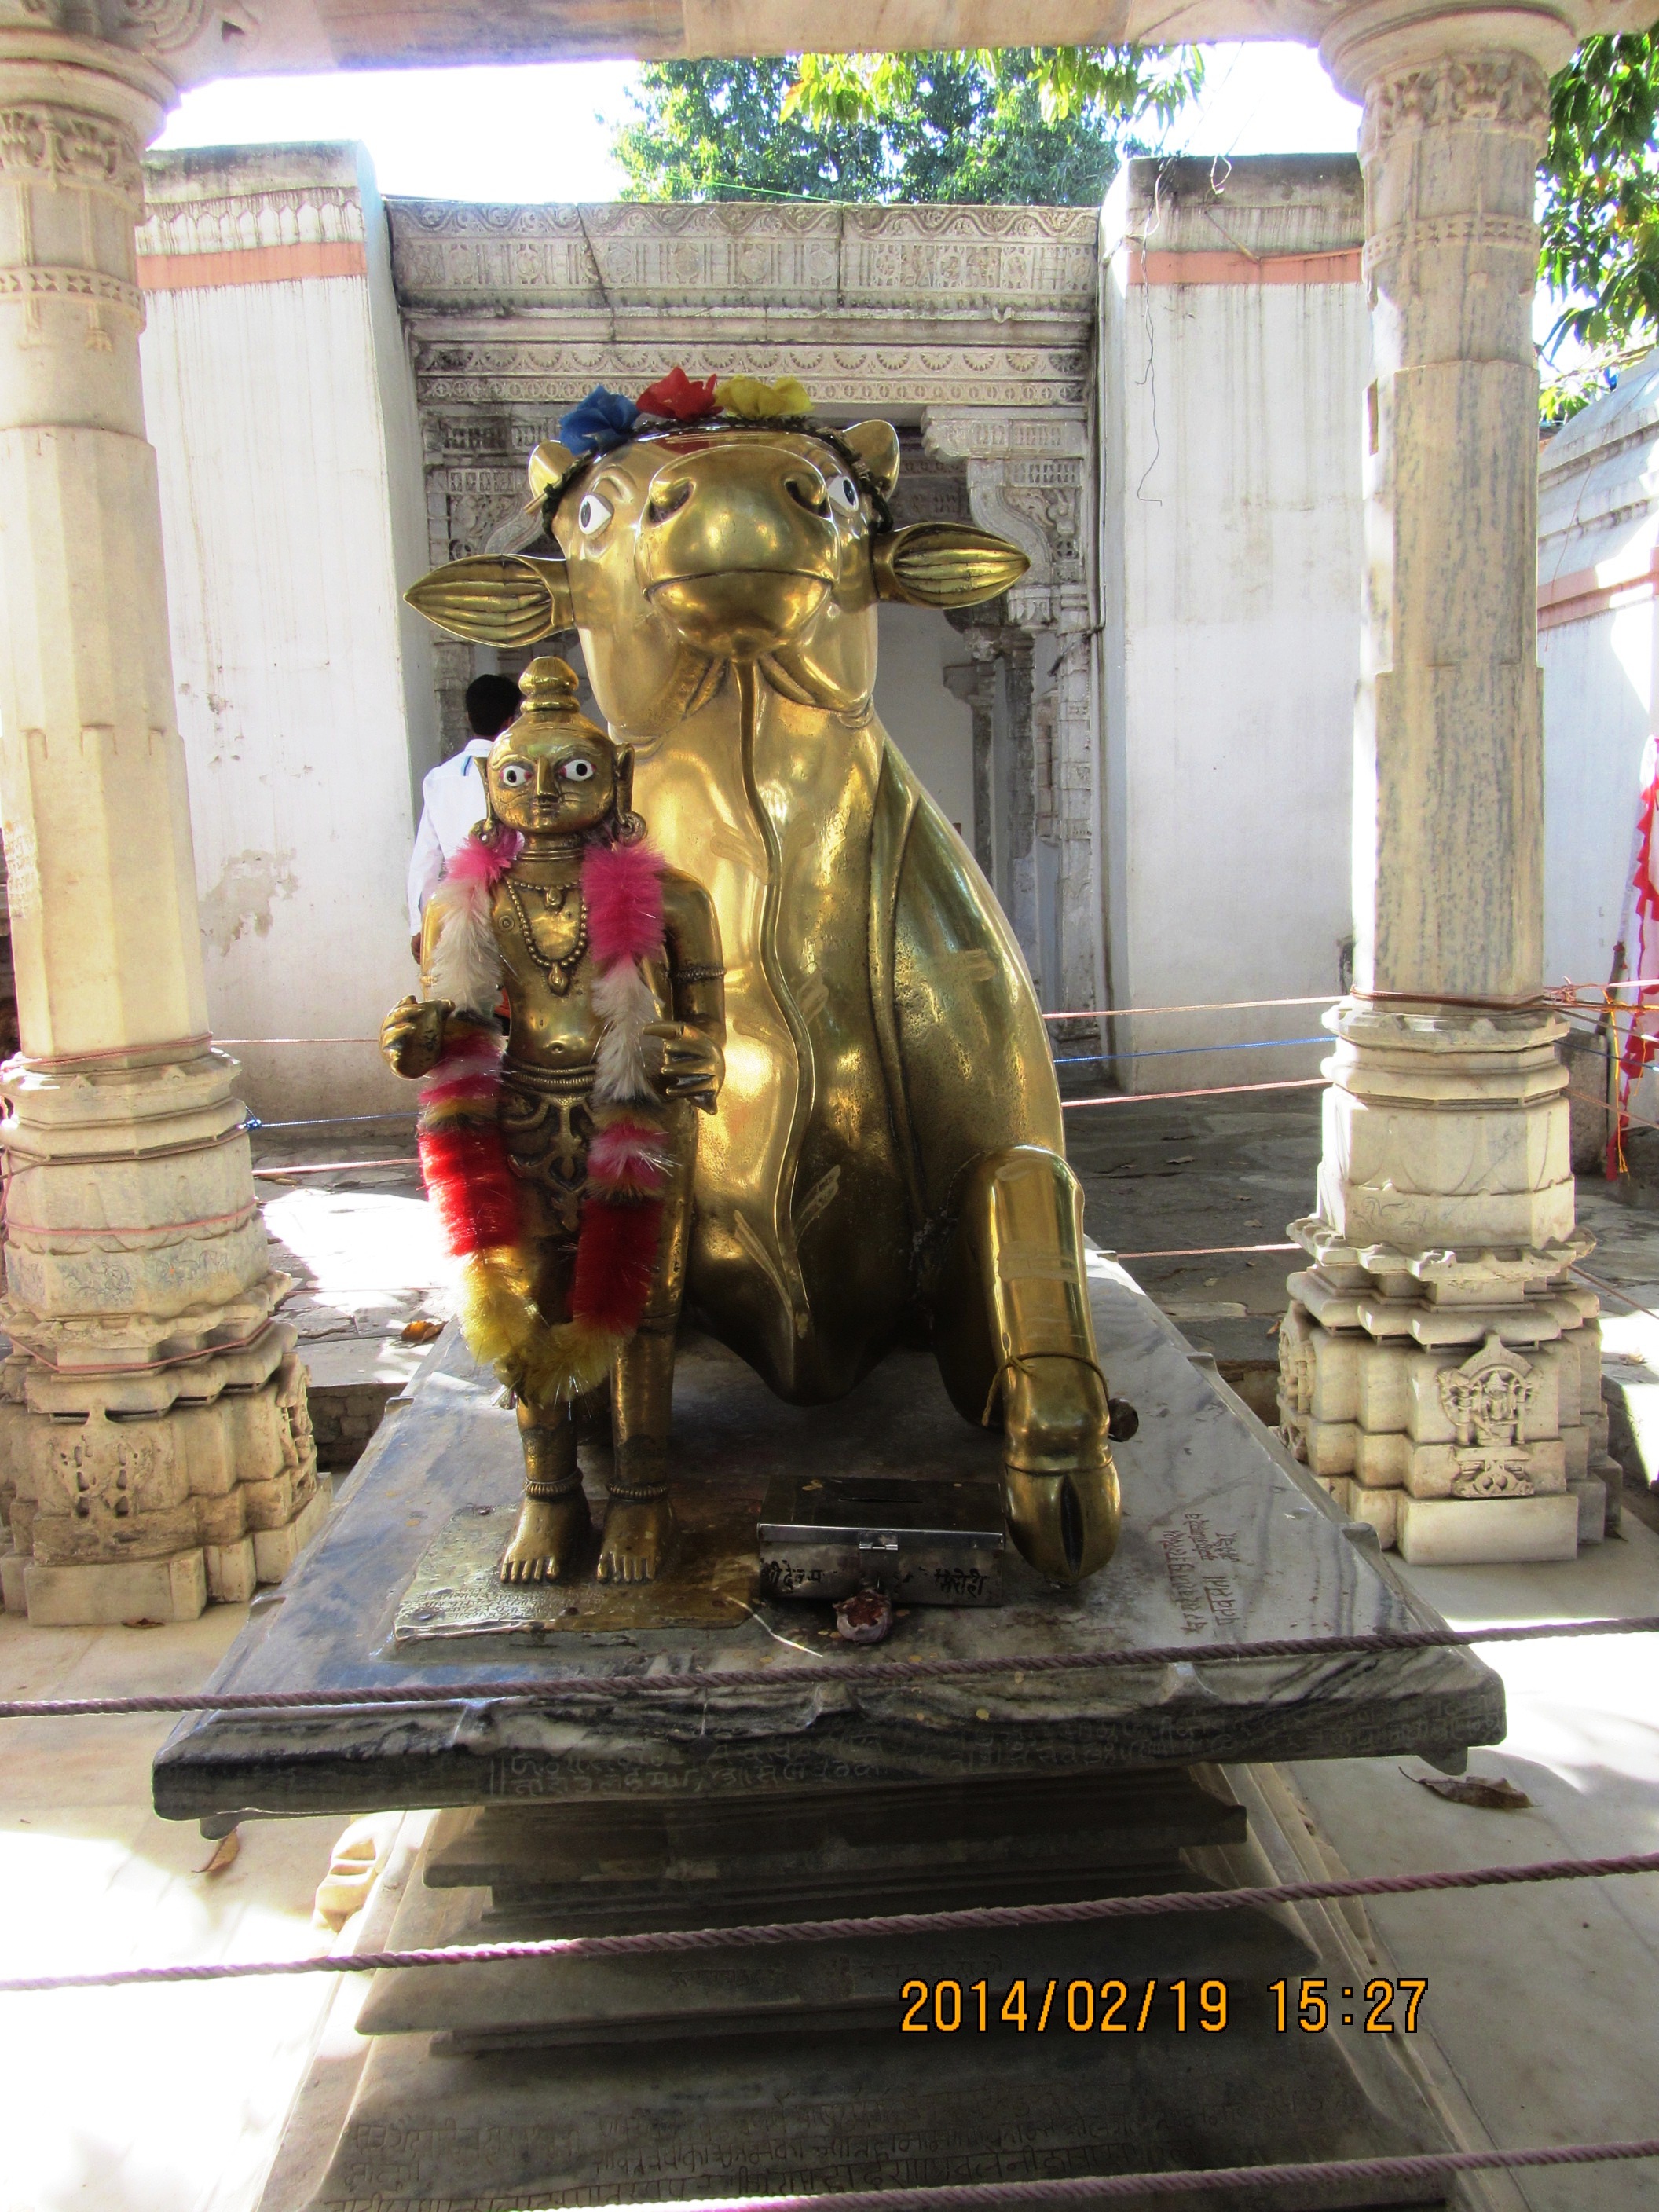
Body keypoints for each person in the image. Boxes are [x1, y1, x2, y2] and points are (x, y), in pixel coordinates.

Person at [406, 673, 523, 958]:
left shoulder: (439, 778)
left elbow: (426, 860)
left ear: (468, 717)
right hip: (520, 909)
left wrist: (420, 926)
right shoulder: (523, 775)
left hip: (460, 913)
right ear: (512, 720)